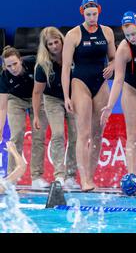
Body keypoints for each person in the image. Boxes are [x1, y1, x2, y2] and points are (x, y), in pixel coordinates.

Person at [62, 0, 116, 192]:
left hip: (100, 84)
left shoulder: (108, 32)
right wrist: (67, 96)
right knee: (83, 134)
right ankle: (83, 178)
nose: (92, 18)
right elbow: (66, 67)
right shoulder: (73, 35)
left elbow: (114, 57)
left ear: (99, 11)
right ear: (82, 13)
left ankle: (91, 177)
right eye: (88, 14)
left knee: (97, 133)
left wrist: (112, 65)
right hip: (80, 83)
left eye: (94, 14)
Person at [101, 11, 136, 185]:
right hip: (132, 89)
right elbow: (117, 80)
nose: (131, 38)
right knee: (133, 135)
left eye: (133, 33)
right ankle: (132, 177)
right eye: (127, 35)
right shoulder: (123, 49)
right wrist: (109, 105)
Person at [32, 27, 79, 189]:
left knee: (75, 136)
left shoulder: (74, 56)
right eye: (50, 44)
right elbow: (37, 92)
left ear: (62, 40)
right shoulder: (42, 65)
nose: (54, 46)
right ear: (45, 47)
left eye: (56, 42)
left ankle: (71, 176)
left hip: (73, 98)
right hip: (52, 99)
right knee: (58, 134)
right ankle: (59, 174)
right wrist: (36, 116)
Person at [0, 46, 49, 188]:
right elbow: (2, 107)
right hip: (15, 101)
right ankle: (11, 178)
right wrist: (0, 128)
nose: (13, 68)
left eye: (15, 64)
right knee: (16, 136)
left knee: (39, 136)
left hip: (37, 99)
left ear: (20, 60)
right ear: (5, 66)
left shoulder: (34, 63)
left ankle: (37, 178)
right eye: (8, 66)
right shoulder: (4, 77)